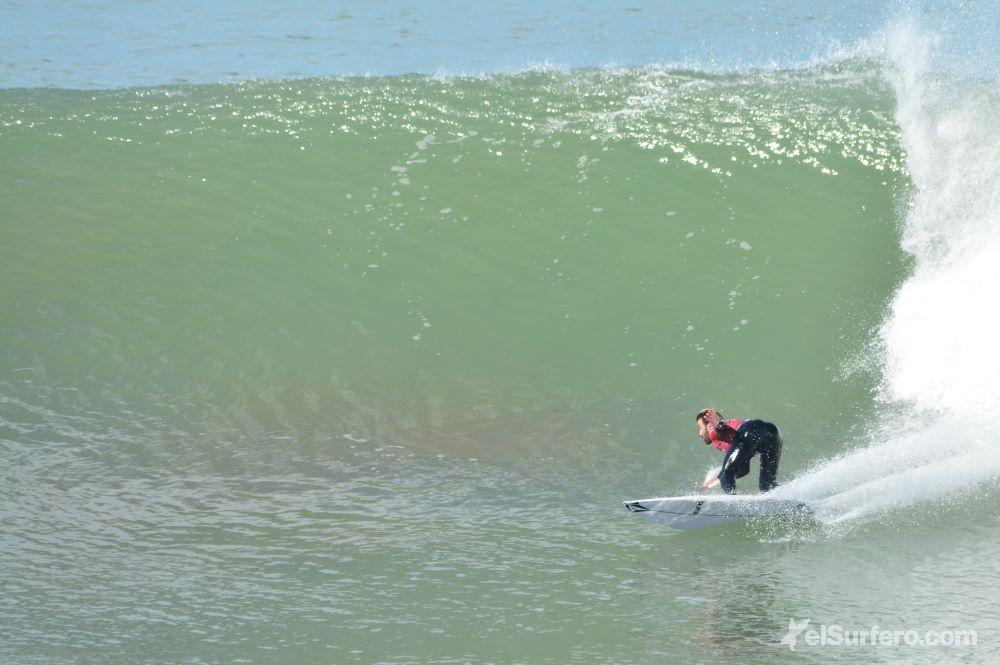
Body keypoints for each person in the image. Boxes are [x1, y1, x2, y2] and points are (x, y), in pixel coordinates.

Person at [695, 407, 782, 494]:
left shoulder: (711, 426)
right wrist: (715, 480)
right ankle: (781, 495)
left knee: (726, 474)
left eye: (700, 427)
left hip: (750, 429)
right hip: (773, 432)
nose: (700, 433)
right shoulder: (733, 436)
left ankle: (731, 499)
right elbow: (743, 470)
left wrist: (718, 424)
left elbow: (718, 429)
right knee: (767, 486)